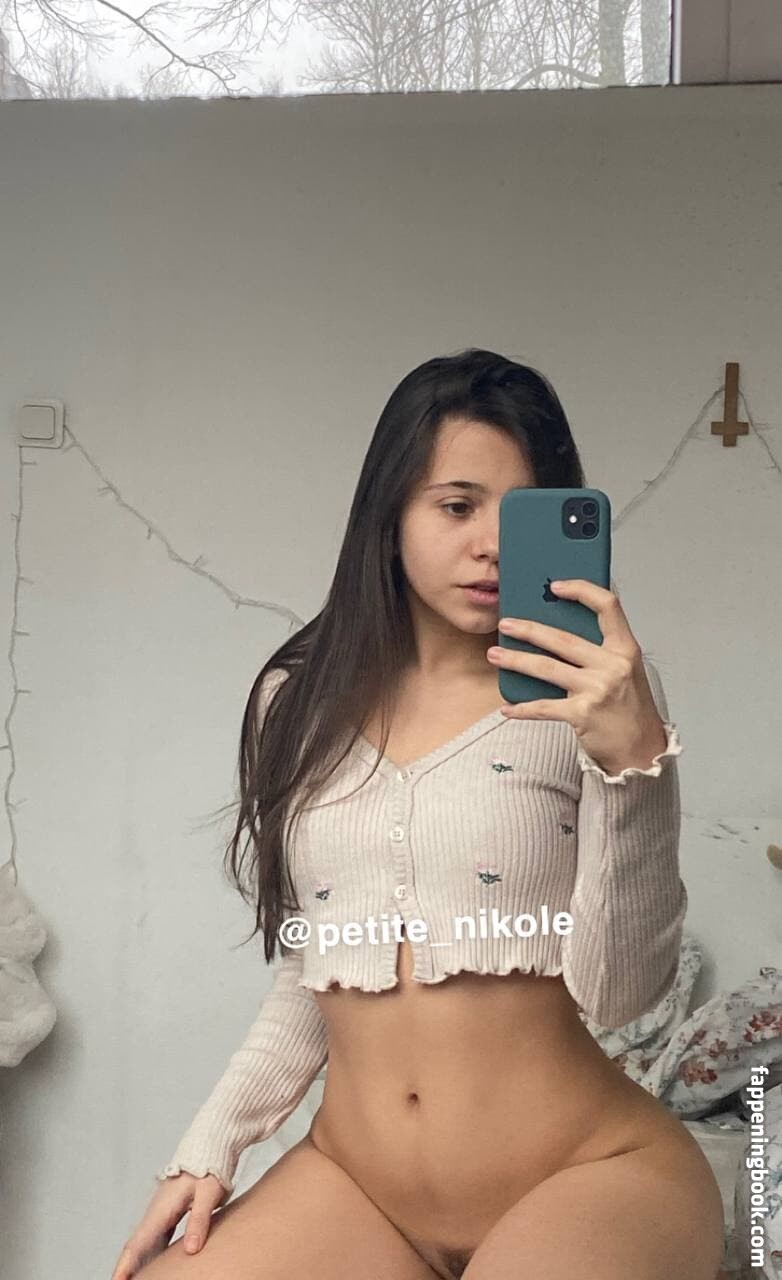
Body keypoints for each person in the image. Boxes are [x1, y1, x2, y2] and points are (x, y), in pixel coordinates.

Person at [112, 348, 725, 1280]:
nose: (492, 546)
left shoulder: (591, 700)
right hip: (360, 1186)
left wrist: (632, 762)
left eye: (522, 512)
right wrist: (211, 1143)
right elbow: (320, 960)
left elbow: (622, 992)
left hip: (588, 1170)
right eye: (457, 505)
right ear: (389, 512)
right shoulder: (297, 702)